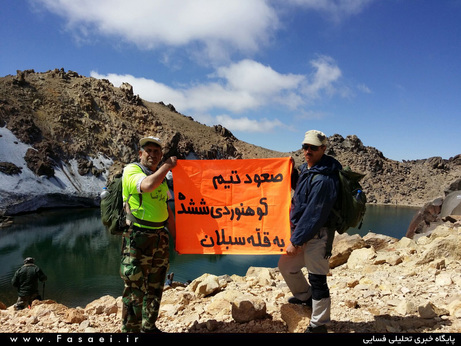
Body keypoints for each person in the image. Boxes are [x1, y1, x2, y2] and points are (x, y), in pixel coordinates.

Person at [278, 130, 342, 333]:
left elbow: (314, 214)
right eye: (305, 146)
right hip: (303, 233)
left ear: (323, 149)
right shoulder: (308, 169)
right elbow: (302, 191)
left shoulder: (325, 180)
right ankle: (306, 298)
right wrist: (291, 173)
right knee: (286, 267)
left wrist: (295, 242)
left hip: (318, 235)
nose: (307, 151)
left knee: (317, 278)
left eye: (313, 147)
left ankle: (319, 324)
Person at [120, 136, 177, 333]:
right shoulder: (132, 170)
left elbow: (167, 212)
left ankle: (149, 327)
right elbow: (146, 186)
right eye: (149, 151)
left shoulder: (161, 180)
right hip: (138, 237)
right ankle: (130, 331)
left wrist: (178, 239)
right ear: (140, 153)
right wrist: (167, 167)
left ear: (160, 155)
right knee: (135, 288)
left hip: (160, 237)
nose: (153, 154)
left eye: (157, 152)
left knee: (156, 285)